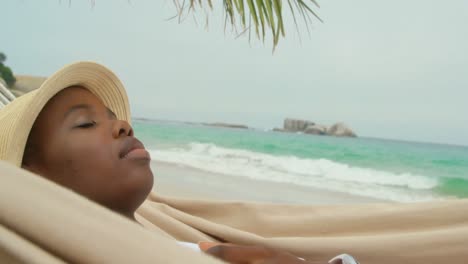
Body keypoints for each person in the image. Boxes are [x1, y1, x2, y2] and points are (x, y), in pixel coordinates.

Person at [1, 61, 467, 264]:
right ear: (32, 186)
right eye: (86, 124)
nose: (123, 124)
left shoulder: (182, 243)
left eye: (113, 116)